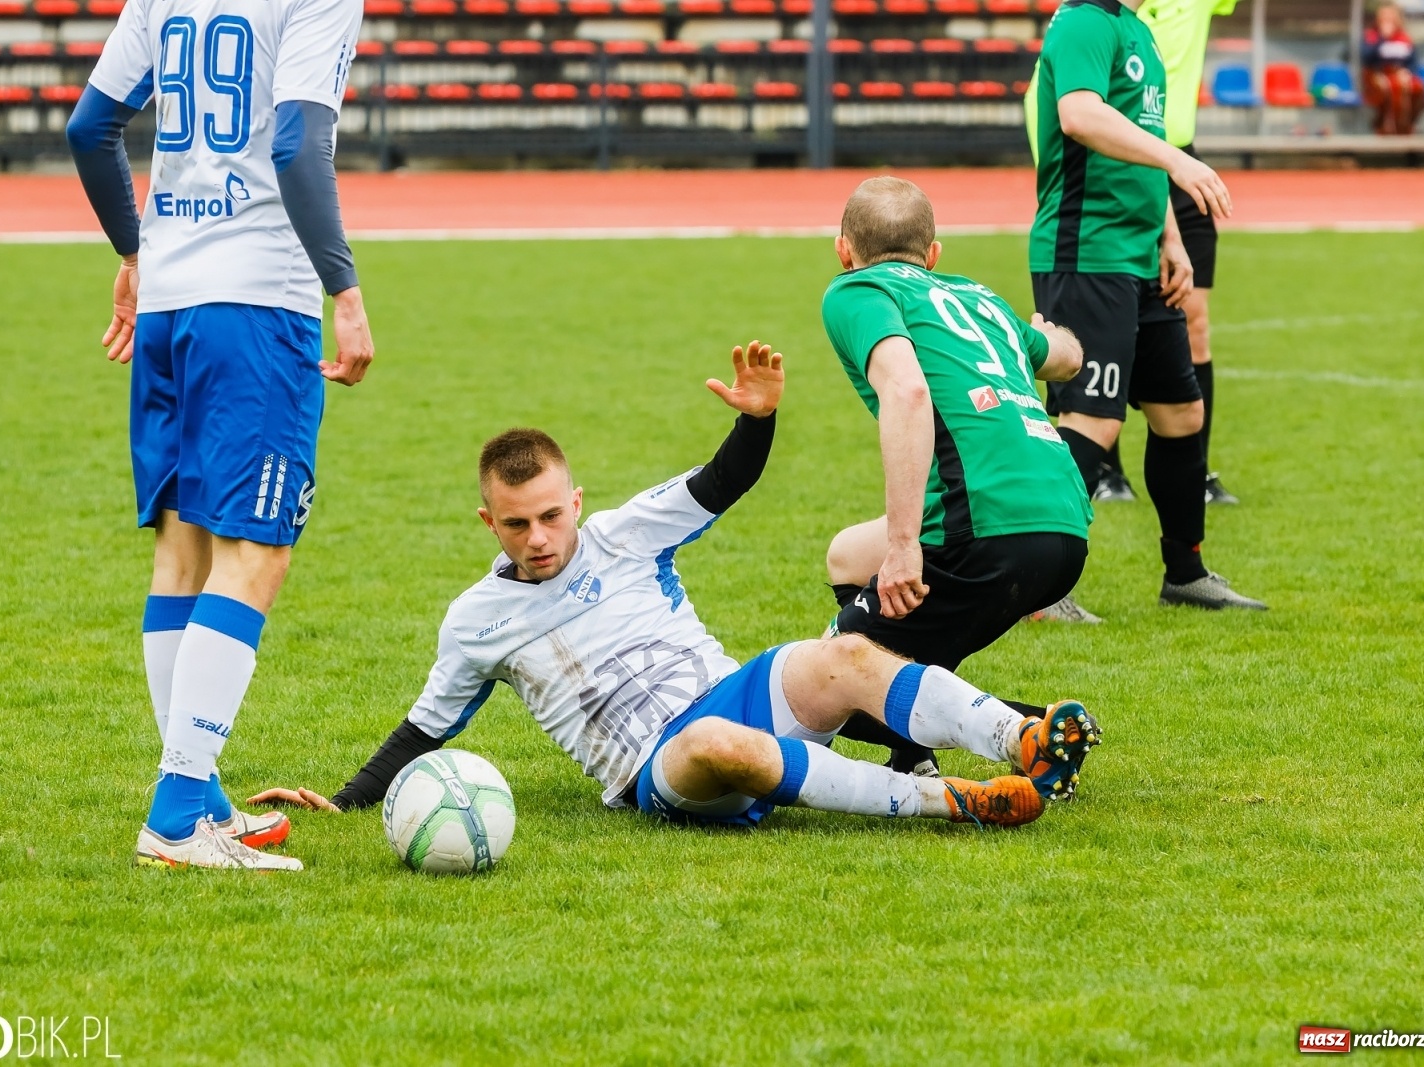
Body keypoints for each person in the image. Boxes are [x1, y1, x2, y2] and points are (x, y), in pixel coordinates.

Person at [249, 342, 1102, 830]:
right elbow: (423, 727)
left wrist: (756, 417)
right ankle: (949, 800)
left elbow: (724, 480)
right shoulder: (479, 619)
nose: (541, 538)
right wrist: (344, 801)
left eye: (552, 515)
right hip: (662, 767)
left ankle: (1019, 741)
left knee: (846, 651)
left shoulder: (623, 533)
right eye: (519, 524)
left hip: (733, 692)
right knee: (710, 747)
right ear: (490, 524)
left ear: (574, 500)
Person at [66, 0, 374, 870]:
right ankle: (174, 818)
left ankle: (198, 797)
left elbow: (91, 127)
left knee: (183, 553)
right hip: (256, 303)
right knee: (256, 554)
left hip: (169, 301)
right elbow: (295, 144)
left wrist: (135, 254)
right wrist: (343, 293)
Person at [817, 176, 1094, 772]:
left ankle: (1029, 729)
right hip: (1066, 525)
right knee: (846, 556)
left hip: (986, 526)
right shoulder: (978, 296)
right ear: (934, 253)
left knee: (832, 685)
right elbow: (1068, 357)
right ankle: (913, 755)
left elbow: (909, 391)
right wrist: (1044, 333)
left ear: (843, 249)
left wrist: (902, 546)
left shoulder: (856, 290)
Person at [1029, 0, 1266, 615]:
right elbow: (1079, 116)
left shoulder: (1137, 29)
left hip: (1139, 254)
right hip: (1087, 254)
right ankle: (1036, 586)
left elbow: (1143, 140)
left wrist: (1171, 238)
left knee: (1182, 413)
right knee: (1093, 420)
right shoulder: (1084, 20)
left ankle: (1185, 575)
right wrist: (1178, 160)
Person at [1089, 0, 1241, 507]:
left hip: (1184, 170)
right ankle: (1107, 472)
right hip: (1118, 172)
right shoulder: (1095, 19)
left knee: (1193, 318)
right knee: (1115, 327)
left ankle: (1194, 470)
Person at [1361, 3, 1424, 135]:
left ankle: (1406, 126)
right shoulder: (1371, 36)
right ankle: (1386, 128)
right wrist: (1382, 38)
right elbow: (1366, 58)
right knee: (1393, 90)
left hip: (1401, 74)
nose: (1387, 20)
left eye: (1390, 17)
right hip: (1377, 74)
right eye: (1384, 17)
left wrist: (1408, 72)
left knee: (1419, 88)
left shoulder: (1404, 37)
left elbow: (1413, 61)